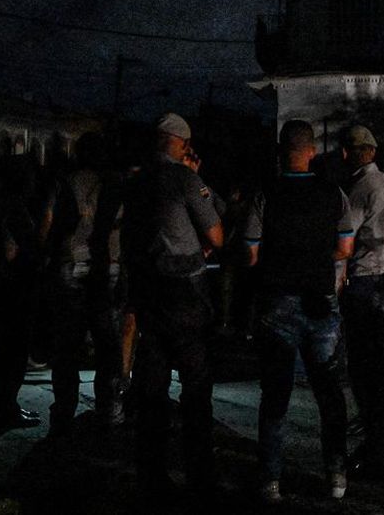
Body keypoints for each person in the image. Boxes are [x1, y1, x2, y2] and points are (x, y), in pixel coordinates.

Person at [243, 120, 355, 504]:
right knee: (328, 391)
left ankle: (270, 479)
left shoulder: (266, 193)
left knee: (275, 393)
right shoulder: (333, 193)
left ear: (280, 151)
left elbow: (250, 251)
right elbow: (344, 249)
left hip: (277, 302)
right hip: (320, 302)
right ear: (312, 151)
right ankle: (336, 474)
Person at [125, 113, 224, 495]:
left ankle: (151, 474)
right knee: (196, 386)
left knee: (153, 385)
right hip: (185, 292)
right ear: (181, 144)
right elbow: (216, 232)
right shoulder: (185, 179)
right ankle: (200, 474)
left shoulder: (136, 183)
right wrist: (198, 180)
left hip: (149, 290)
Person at [340, 124, 384, 481]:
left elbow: (345, 241)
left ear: (352, 153)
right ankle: (382, 445)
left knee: (364, 371)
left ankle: (374, 447)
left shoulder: (358, 190)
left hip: (364, 283)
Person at [47, 132, 124, 435]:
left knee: (67, 346)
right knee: (107, 345)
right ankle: (109, 410)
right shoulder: (116, 184)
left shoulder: (66, 182)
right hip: (107, 268)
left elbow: (58, 224)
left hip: (70, 265)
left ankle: (64, 412)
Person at [0, 157, 44, 429]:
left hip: (1, 284)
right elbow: (27, 248)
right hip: (16, 287)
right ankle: (6, 409)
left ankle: (4, 406)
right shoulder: (15, 209)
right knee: (14, 352)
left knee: (7, 351)